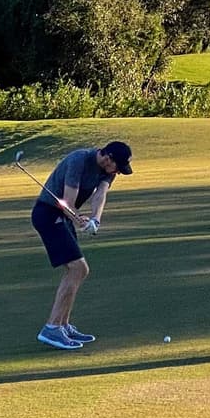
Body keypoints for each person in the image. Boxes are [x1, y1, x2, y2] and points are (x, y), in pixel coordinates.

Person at [31, 140, 131, 350]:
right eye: (117, 167)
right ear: (107, 157)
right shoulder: (79, 160)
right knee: (78, 268)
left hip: (63, 217)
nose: (118, 172)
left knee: (77, 270)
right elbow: (67, 201)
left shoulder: (108, 171)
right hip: (48, 214)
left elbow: (100, 194)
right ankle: (52, 327)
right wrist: (78, 219)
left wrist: (95, 219)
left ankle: (63, 325)